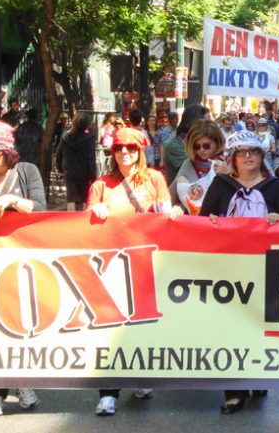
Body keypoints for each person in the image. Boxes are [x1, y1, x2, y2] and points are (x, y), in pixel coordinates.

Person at [88, 128, 182, 416]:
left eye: (131, 147)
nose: (124, 152)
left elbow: (166, 211)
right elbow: (86, 221)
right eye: (119, 148)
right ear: (112, 151)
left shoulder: (154, 179)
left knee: (144, 325)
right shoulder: (101, 184)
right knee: (110, 329)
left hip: (146, 263)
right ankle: (108, 392)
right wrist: (96, 211)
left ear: (140, 150)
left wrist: (174, 213)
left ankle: (142, 378)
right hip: (111, 266)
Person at [199, 131, 279, 414]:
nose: (248, 156)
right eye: (242, 152)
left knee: (259, 324)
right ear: (233, 158)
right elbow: (203, 221)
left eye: (253, 151)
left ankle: (257, 375)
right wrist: (212, 220)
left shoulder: (276, 188)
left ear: (262, 156)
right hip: (229, 269)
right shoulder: (220, 185)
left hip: (266, 269)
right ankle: (235, 391)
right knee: (231, 326)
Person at [0, 120, 45, 417]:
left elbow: (41, 207)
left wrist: (12, 200)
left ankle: (24, 382)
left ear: (8, 152)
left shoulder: (26, 172)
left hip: (22, 257)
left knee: (20, 320)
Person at [170, 120, 229, 214]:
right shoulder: (188, 164)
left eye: (206, 146)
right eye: (197, 146)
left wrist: (228, 174)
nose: (201, 150)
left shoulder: (228, 162)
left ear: (217, 143)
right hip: (195, 223)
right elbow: (171, 198)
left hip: (221, 222)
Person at [56, 113, 97, 211]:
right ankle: (82, 222)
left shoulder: (65, 137)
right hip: (84, 174)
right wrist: (93, 176)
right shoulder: (90, 138)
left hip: (69, 172)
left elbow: (59, 154)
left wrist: (60, 169)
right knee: (84, 199)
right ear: (87, 124)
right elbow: (91, 159)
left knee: (71, 199)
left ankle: (70, 221)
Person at [163, 104, 209, 185]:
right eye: (204, 123)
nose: (208, 127)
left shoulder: (199, 142)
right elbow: (193, 169)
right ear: (193, 122)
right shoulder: (174, 145)